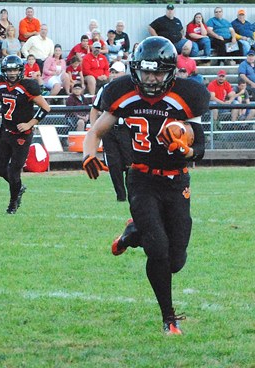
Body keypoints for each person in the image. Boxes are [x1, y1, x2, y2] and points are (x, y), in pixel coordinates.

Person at [82, 36, 210, 335]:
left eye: (158, 72)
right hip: (141, 179)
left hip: (176, 180)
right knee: (159, 250)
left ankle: (133, 232)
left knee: (176, 260)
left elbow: (199, 147)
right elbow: (96, 130)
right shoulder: (122, 92)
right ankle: (169, 318)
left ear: (171, 71)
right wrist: (89, 153)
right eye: (146, 72)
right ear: (135, 69)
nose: (151, 79)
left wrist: (184, 148)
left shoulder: (188, 95)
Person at [0, 55, 50, 214]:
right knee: (0, 169)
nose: (12, 73)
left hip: (22, 135)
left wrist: (29, 124)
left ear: (20, 70)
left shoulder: (28, 86)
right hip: (5, 131)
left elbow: (45, 108)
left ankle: (13, 203)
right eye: (9, 70)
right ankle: (18, 187)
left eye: (15, 70)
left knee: (14, 171)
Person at [89, 60, 131, 202]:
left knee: (132, 163)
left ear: (124, 73)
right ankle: (121, 196)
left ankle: (133, 193)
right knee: (114, 164)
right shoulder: (106, 89)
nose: (113, 75)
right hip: (109, 131)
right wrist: (95, 130)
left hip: (127, 130)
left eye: (116, 72)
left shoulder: (131, 89)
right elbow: (95, 109)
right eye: (112, 72)